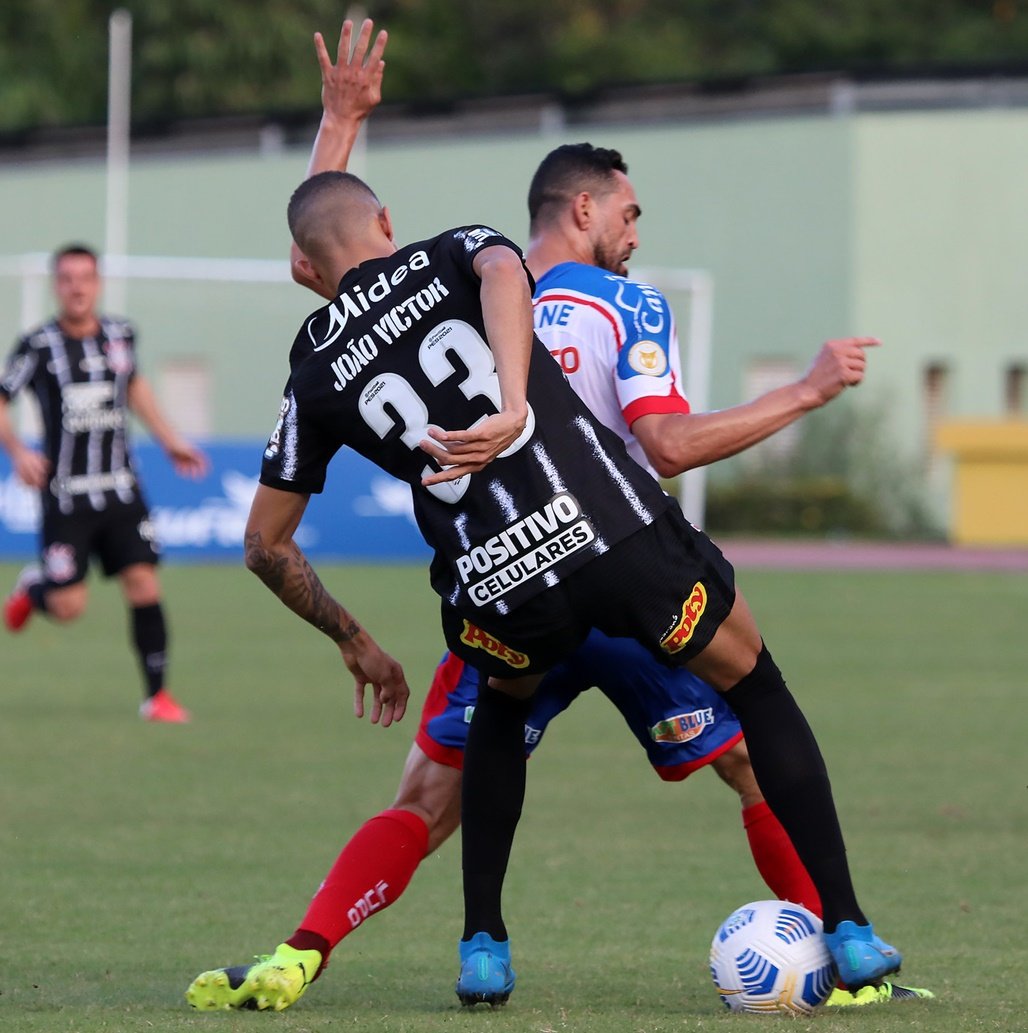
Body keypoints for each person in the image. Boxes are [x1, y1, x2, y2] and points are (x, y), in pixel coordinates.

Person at [186, 20, 930, 1013]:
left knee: (435, 783)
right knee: (751, 729)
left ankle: (372, 947)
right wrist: (797, 393)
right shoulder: (537, 280)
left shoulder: (350, 332)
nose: (635, 228)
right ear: (585, 210)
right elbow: (661, 444)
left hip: (496, 578)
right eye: (627, 209)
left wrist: (339, 125)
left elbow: (327, 263)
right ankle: (842, 951)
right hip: (615, 548)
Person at [0, 244, 209, 722]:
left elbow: (134, 385)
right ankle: (36, 590)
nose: (77, 287)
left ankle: (156, 696)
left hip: (121, 489)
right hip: (66, 497)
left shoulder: (120, 335)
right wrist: (18, 452)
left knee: (143, 583)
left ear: (97, 285)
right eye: (68, 278)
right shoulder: (37, 345)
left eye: (85, 278)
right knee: (68, 607)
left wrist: (170, 439)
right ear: (58, 286)